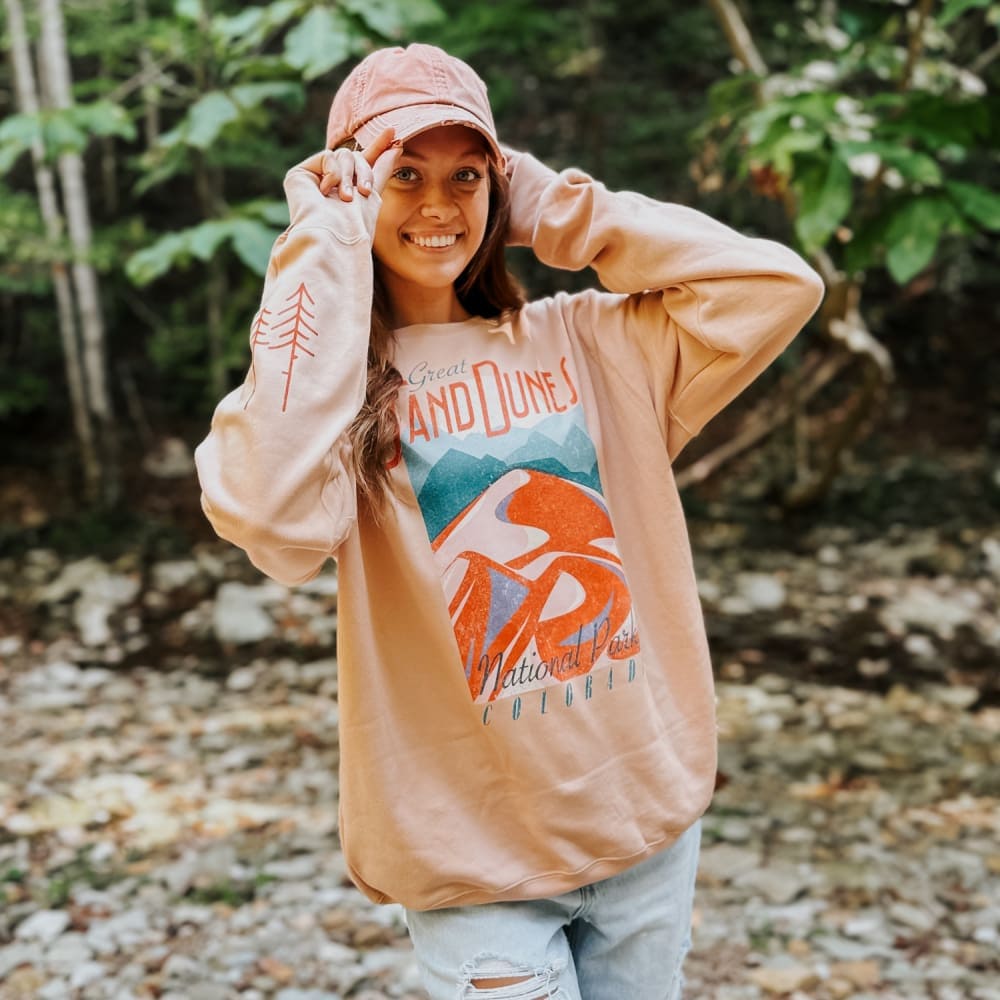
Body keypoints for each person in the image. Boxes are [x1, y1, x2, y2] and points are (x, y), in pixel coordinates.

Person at [195, 42, 824, 1000]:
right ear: (357, 188)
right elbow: (263, 513)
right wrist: (323, 244)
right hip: (471, 857)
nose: (439, 204)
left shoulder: (586, 339)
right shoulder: (339, 401)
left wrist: (548, 203)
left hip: (643, 824)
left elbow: (776, 286)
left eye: (467, 175)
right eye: (404, 175)